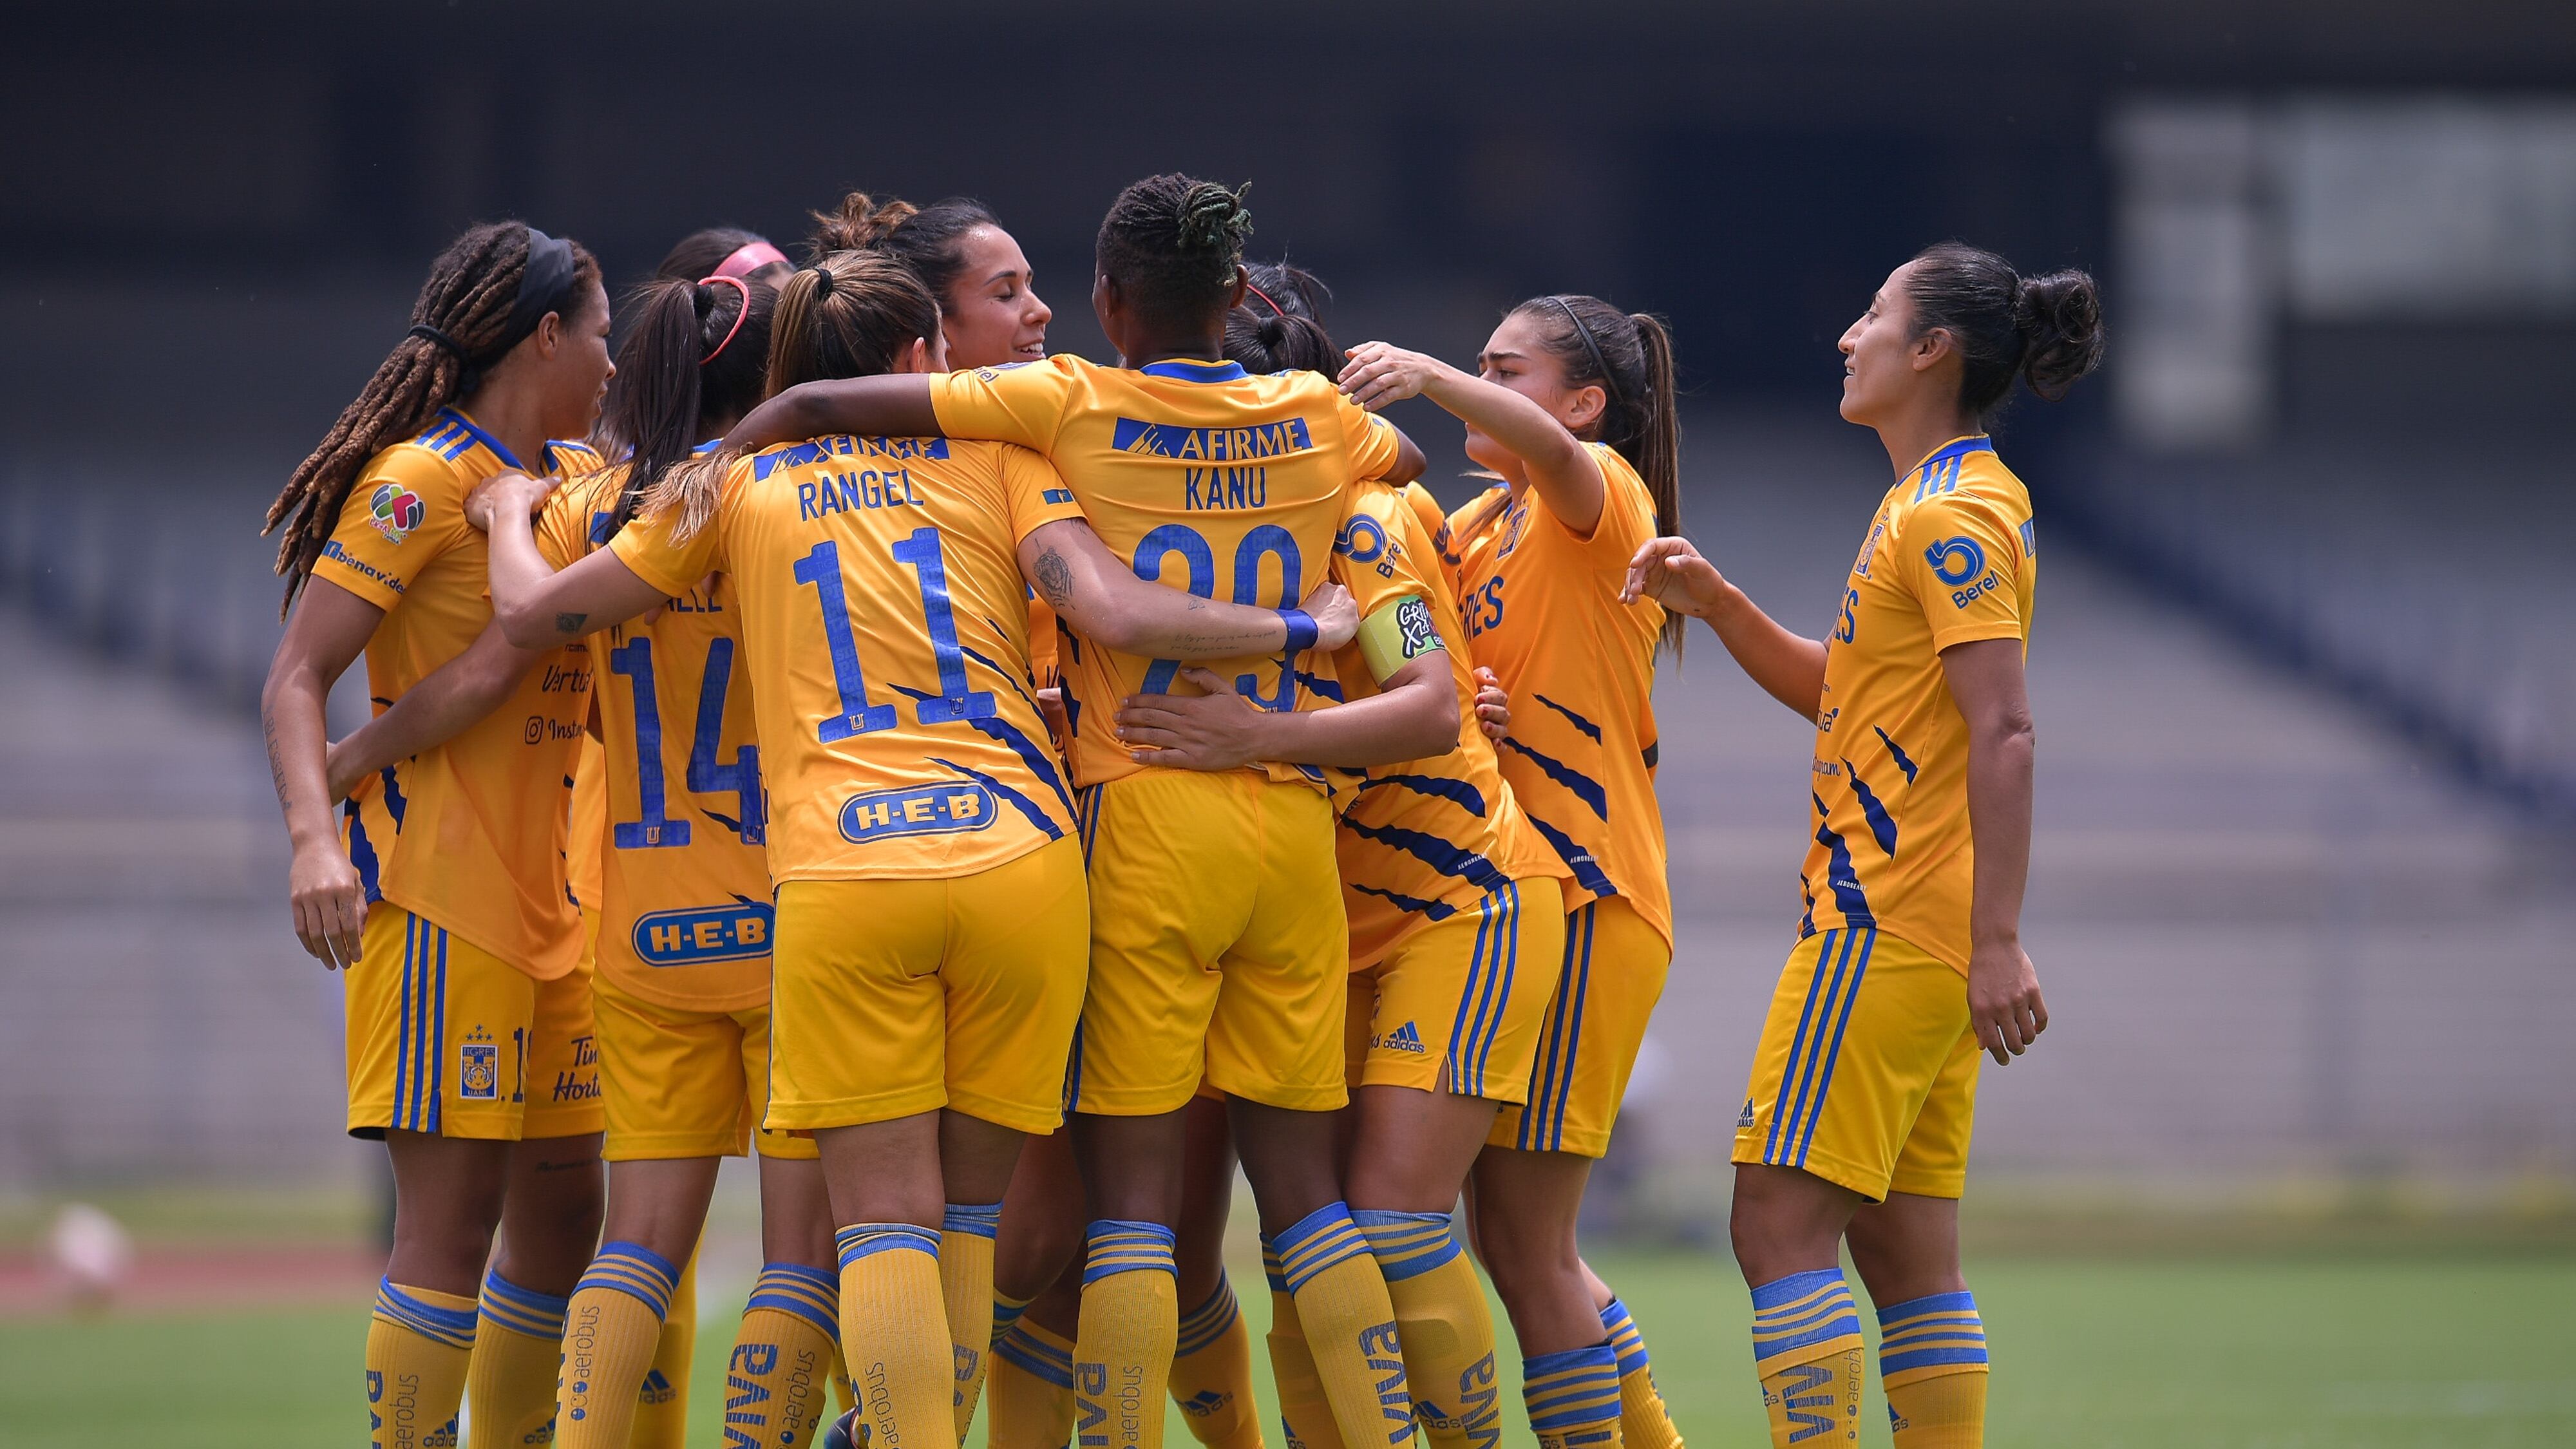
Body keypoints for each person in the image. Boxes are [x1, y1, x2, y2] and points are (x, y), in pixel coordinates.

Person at [462, 247, 1363, 1449]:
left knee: (875, 1227)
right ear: (915, 360)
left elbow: (534, 615)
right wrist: (1299, 626)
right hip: (1020, 861)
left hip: (836, 875)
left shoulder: (730, 488)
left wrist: (506, 514)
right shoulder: (1006, 463)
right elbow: (1107, 606)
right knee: (977, 1230)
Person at [712, 176, 1437, 1449]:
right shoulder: (1323, 418)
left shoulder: (1063, 406)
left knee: (1128, 1221)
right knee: (1306, 1209)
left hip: (1136, 813)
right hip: (1291, 829)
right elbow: (1409, 467)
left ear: (1108, 299)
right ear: (1234, 294)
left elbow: (825, 405)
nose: (1040, 310)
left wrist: (731, 444)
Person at [1624, 242, 2101, 1448]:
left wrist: (2001, 938)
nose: (1849, 333)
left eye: (1876, 313)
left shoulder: (1946, 513)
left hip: (1884, 921)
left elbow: (2006, 727)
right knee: (1905, 1253)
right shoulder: (1943, 498)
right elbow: (1852, 694)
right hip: (1927, 935)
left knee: (1774, 1223)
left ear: (1932, 349)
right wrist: (1722, 605)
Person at [1117, 263, 1567, 1449]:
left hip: (1461, 899)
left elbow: (1428, 704)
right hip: (1333, 911)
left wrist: (1259, 736)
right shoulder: (1254, 533)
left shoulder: (1365, 517)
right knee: (1298, 1241)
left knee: (1395, 1225)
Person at [258, 221, 614, 1448]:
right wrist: (315, 840)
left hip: (556, 903)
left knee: (566, 1225)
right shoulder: (419, 478)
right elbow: (296, 676)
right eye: (602, 336)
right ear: (547, 335)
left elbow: (504, 664)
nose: (614, 363)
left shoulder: (577, 479)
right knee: (451, 1230)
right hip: (437, 897)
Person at [1333, 294, 1689, 1449]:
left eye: (1506, 369)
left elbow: (1555, 457)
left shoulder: (1601, 488)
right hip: (1504, 886)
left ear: (1582, 405)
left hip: (1587, 888)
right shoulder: (1475, 523)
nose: (1481, 385)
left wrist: (1427, 370)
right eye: (1477, 365)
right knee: (1515, 1243)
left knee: (1528, 1247)